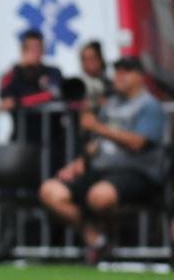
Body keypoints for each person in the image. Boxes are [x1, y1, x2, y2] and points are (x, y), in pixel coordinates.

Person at [39, 56, 168, 264]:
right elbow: (97, 143)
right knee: (51, 191)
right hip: (101, 169)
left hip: (136, 172)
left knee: (99, 196)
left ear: (138, 77)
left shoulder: (149, 106)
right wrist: (79, 162)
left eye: (124, 72)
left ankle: (113, 237)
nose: (118, 77)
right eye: (116, 72)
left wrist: (98, 127)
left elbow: (138, 143)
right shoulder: (111, 104)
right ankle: (96, 238)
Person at [0, 28, 67, 172]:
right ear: (23, 50)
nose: (35, 52)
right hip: (23, 137)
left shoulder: (53, 72)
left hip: (52, 138)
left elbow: (53, 94)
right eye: (30, 48)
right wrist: (22, 70)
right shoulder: (13, 74)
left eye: (38, 48)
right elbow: (5, 97)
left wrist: (20, 102)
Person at [79, 40, 112, 105]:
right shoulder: (75, 87)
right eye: (85, 59)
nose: (89, 63)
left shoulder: (112, 85)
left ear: (100, 59)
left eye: (92, 58)